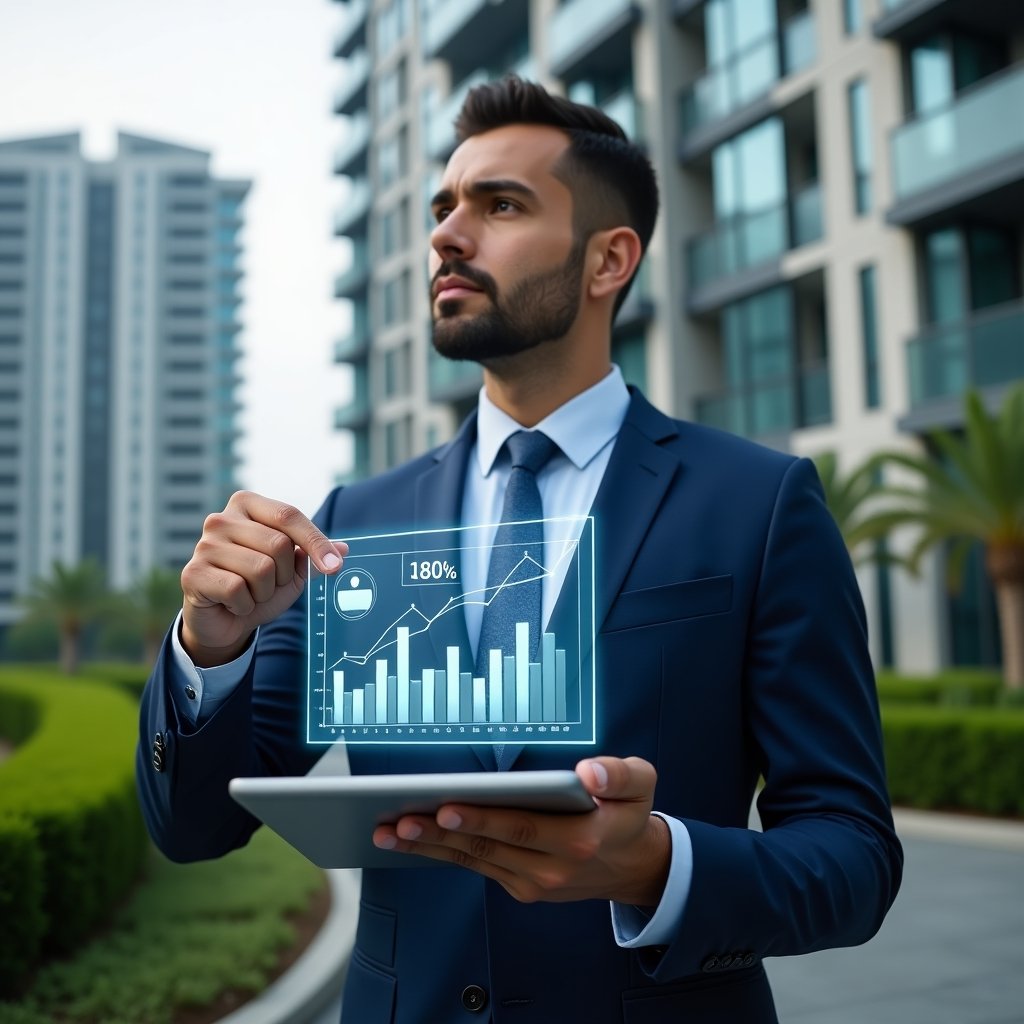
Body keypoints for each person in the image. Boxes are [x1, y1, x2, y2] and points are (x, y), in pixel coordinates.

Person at [137, 77, 902, 1023]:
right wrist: (211, 648)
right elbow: (195, 826)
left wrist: (659, 865)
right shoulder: (359, 520)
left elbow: (853, 858)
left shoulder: (757, 503)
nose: (448, 236)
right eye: (443, 208)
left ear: (608, 259)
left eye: (500, 205)